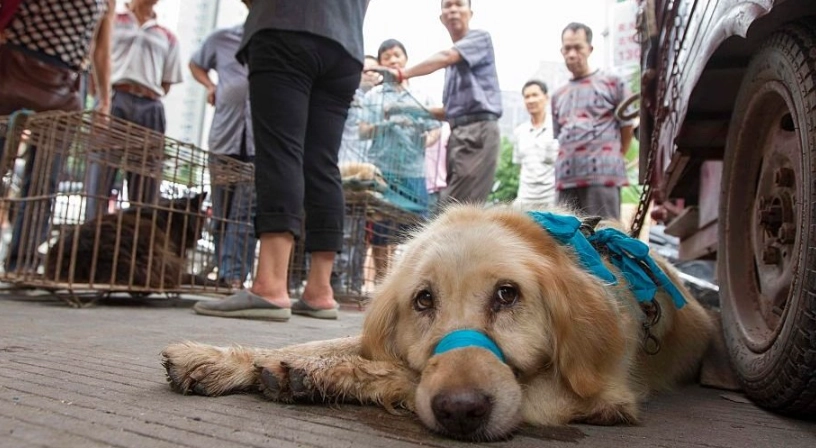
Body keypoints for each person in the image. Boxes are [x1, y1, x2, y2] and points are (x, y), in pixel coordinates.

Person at [193, 0, 370, 321]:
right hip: (346, 46)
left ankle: (270, 287)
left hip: (285, 25)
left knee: (280, 152)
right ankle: (319, 291)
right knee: (323, 163)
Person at [0, 0, 115, 272]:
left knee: (44, 179)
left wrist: (104, 101)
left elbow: (101, 49)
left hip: (59, 81)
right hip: (14, 65)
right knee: (41, 179)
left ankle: (23, 263)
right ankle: (23, 263)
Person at [383, 0, 502, 205]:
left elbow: (447, 56)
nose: (453, 9)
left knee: (458, 207)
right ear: (441, 17)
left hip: (478, 131)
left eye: (459, 4)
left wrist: (403, 73)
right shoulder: (451, 69)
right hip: (458, 135)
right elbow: (448, 112)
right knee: (455, 206)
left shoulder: (479, 39)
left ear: (470, 13)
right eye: (448, 5)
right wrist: (404, 108)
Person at [84, 0, 183, 220]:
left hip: (150, 106)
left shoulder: (167, 35)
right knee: (100, 175)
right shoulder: (112, 19)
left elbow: (166, 83)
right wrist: (102, 97)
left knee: (146, 183)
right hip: (114, 98)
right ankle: (92, 237)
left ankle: (138, 241)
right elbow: (94, 58)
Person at [188, 0, 256, 289]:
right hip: (224, 138)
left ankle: (234, 277)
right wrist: (210, 85)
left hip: (257, 144)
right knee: (222, 212)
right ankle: (223, 268)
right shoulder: (222, 37)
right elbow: (195, 63)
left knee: (245, 215)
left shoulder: (274, 41)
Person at [361, 38, 440, 280]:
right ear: (382, 65)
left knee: (415, 231)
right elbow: (362, 130)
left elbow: (435, 129)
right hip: (382, 171)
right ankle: (382, 282)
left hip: (413, 171)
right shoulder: (374, 96)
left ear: (405, 59)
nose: (393, 60)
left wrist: (424, 140)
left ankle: (408, 282)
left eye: (397, 55)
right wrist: (385, 124)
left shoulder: (420, 96)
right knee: (381, 231)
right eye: (387, 58)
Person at [551, 22, 634, 220]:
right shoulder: (557, 94)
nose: (571, 54)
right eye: (567, 48)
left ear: (590, 49)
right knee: (566, 244)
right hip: (566, 179)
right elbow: (559, 135)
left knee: (605, 237)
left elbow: (627, 126)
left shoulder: (613, 82)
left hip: (603, 176)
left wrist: (614, 155)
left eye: (577, 47)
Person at [331, 54, 380, 297]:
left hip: (363, 176)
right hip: (341, 170)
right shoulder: (348, 96)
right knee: (341, 230)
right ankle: (336, 280)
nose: (370, 74)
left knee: (357, 233)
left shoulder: (375, 103)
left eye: (374, 70)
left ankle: (351, 282)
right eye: (366, 70)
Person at [512, 80, 559, 207]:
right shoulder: (519, 132)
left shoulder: (557, 126)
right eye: (527, 97)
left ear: (546, 97)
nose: (531, 100)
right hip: (525, 199)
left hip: (552, 199)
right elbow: (519, 167)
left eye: (535, 95)